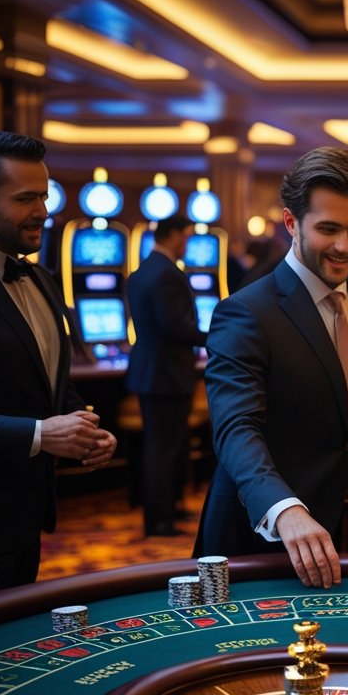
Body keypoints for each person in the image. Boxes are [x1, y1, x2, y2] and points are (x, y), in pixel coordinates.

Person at [196, 147, 348, 588]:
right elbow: (237, 429)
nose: (345, 246)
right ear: (291, 223)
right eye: (328, 229)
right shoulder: (246, 312)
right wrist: (285, 510)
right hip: (267, 539)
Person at [0, 131, 116, 600]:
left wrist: (85, 427)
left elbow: (49, 382)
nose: (43, 211)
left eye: (45, 195)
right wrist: (39, 435)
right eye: (26, 199)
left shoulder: (41, 277)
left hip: (28, 513)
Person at [126, 214, 207, 537]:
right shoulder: (166, 274)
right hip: (166, 373)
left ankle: (169, 509)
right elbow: (174, 327)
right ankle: (159, 520)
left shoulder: (143, 270)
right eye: (186, 237)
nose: (187, 244)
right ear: (173, 236)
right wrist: (216, 335)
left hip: (153, 370)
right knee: (163, 449)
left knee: (165, 446)